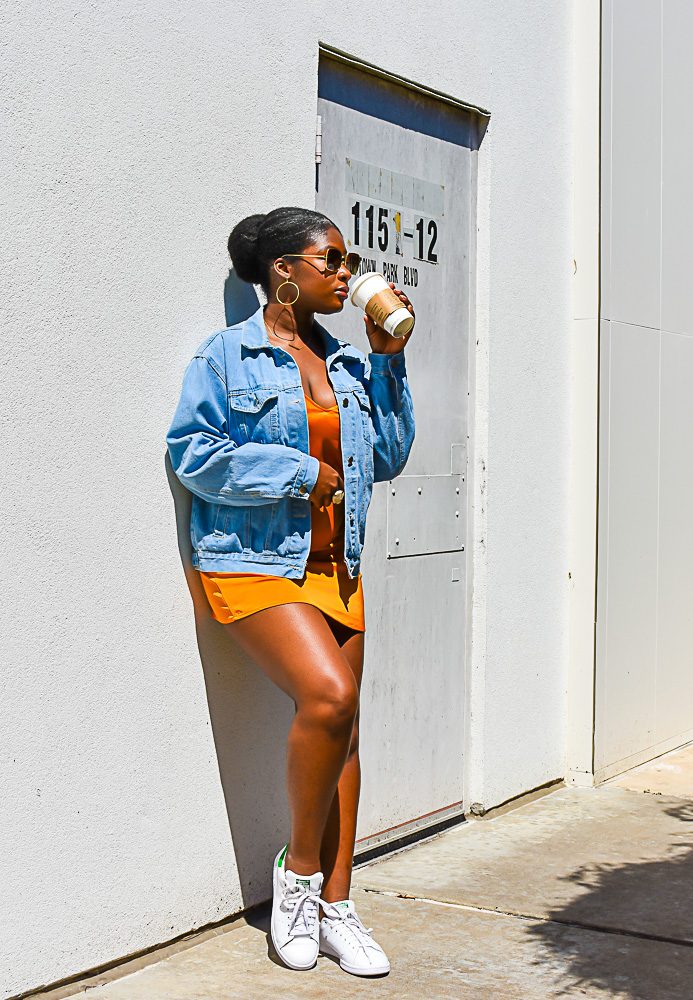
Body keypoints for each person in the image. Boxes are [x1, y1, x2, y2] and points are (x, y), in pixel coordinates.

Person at [166, 206, 415, 977]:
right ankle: (298, 879)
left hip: (334, 566)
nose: (346, 274)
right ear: (284, 271)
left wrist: (386, 361)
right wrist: (301, 475)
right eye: (330, 260)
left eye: (348, 262)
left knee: (345, 735)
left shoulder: (342, 362)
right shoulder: (226, 357)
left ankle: (339, 906)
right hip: (248, 561)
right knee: (329, 699)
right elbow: (192, 452)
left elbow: (395, 455)